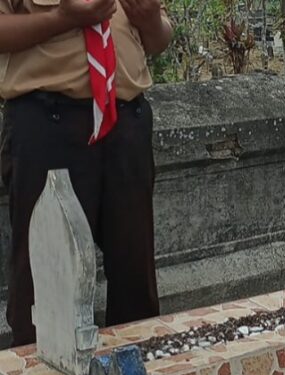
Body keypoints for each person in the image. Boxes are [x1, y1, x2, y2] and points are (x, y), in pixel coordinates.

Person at [0, 0, 172, 346]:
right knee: (44, 286)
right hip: (49, 124)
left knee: (135, 279)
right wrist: (62, 18)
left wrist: (151, 18)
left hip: (126, 122)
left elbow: (158, 40)